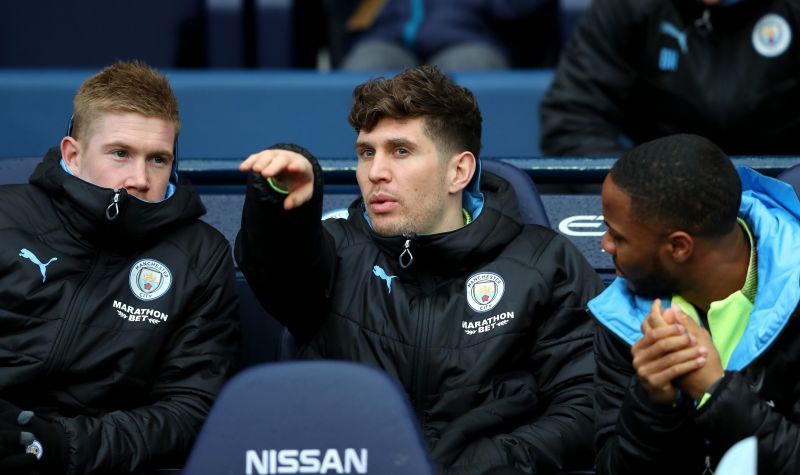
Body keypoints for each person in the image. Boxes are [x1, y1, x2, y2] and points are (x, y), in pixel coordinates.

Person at [236, 65, 603, 474]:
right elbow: (275, 270)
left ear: (458, 171)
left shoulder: (544, 262)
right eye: (366, 152)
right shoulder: (335, 250)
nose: (375, 172)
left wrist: (489, 463)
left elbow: (587, 403)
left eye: (401, 151)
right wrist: (279, 205)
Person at [0, 61, 239, 474]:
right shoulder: (6, 215)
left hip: (95, 462)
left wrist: (63, 446)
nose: (140, 178)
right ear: (72, 155)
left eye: (158, 159)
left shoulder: (199, 255)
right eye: (120, 154)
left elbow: (189, 409)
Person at [590, 134, 800, 474]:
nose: (605, 244)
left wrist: (716, 392)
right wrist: (653, 404)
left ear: (679, 247)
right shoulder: (622, 317)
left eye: (618, 236)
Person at [539, 0, 800, 156]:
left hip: (785, 188)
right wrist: (641, 189)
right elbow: (573, 120)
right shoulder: (626, 7)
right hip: (660, 193)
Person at [330, 0, 559, 70]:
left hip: (470, 34)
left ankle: (474, 179)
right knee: (365, 68)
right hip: (386, 34)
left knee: (471, 69)